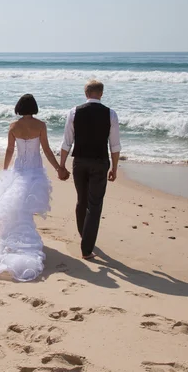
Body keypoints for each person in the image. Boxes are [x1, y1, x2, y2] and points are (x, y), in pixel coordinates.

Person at [0, 94, 69, 281]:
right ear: (34, 107)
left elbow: (10, 150)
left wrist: (5, 170)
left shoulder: (14, 126)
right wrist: (58, 167)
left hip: (19, 170)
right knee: (25, 206)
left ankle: (17, 237)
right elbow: (46, 149)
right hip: (35, 171)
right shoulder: (40, 125)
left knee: (17, 205)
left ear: (19, 107)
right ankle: (26, 240)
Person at [59, 80, 121, 260]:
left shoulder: (74, 112)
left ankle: (84, 235)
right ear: (101, 94)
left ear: (86, 93)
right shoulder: (110, 114)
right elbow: (115, 145)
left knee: (82, 200)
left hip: (79, 161)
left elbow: (66, 142)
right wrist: (115, 168)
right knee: (95, 205)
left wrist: (61, 165)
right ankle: (86, 249)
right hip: (100, 162)